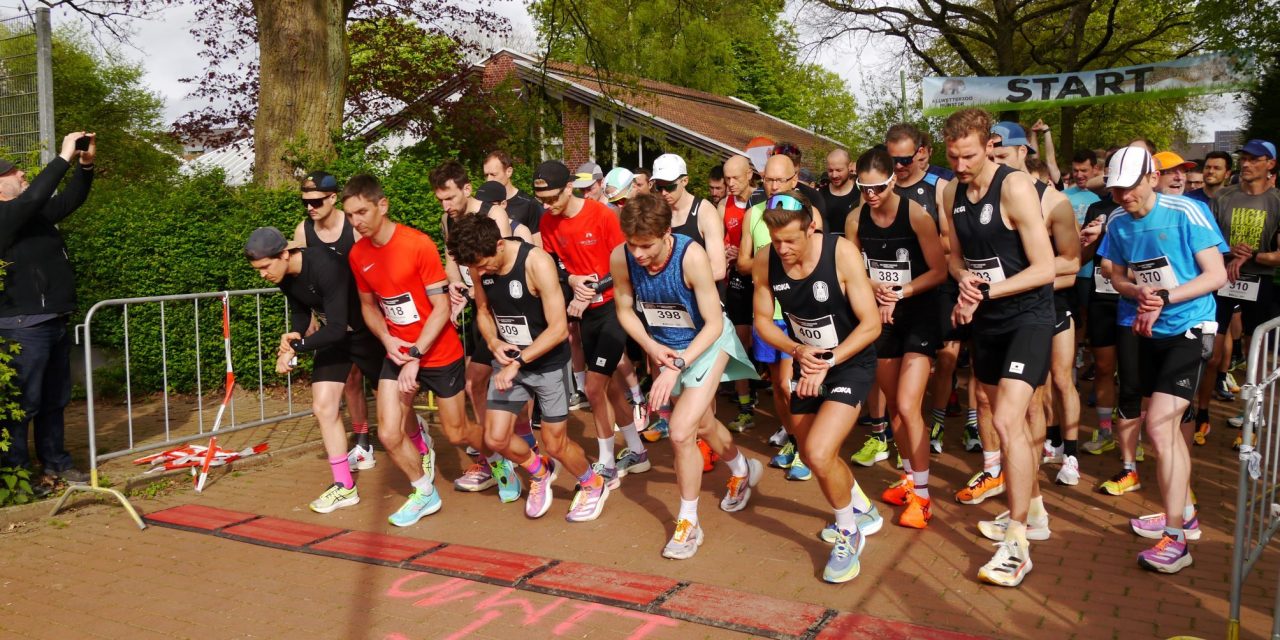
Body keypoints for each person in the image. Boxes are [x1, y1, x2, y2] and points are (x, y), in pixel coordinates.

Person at [345, 174, 514, 526]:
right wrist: (389, 341)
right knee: (389, 433)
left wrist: (416, 353)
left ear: (382, 205)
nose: (356, 221)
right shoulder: (358, 254)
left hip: (436, 351)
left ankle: (497, 458)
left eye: (361, 212)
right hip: (398, 353)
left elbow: (440, 309)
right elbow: (368, 307)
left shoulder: (417, 244)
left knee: (457, 431)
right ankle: (424, 492)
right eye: (349, 215)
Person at [1096, 146, 1227, 573]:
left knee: (1159, 426)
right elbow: (1113, 274)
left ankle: (1176, 541)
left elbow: (1216, 275)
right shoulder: (1117, 220)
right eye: (1116, 190)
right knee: (1164, 426)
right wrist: (1135, 292)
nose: (1123, 196)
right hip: (1146, 327)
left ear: (1152, 177)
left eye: (1130, 187)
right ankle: (1184, 513)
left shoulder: (1186, 211)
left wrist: (1167, 296)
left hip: (1191, 328)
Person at [939, 108, 1055, 588]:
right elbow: (952, 253)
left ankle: (1018, 541)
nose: (960, 165)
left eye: (968, 155)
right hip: (986, 319)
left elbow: (1045, 266)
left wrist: (986, 290)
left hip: (1028, 316)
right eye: (952, 156)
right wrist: (964, 278)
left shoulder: (1015, 187)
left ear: (989, 145)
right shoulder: (950, 191)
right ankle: (1037, 512)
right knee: (994, 408)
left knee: (1008, 419)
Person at [611, 193, 762, 557]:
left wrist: (676, 364)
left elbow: (712, 325)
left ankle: (688, 523)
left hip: (707, 344)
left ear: (667, 233)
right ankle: (743, 469)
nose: (638, 255)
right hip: (665, 345)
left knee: (680, 433)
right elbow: (626, 310)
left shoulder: (690, 256)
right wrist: (651, 347)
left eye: (646, 246)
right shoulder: (621, 257)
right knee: (704, 424)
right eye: (632, 245)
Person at [446, 214, 612, 522]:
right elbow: (482, 310)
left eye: (484, 265)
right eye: (475, 269)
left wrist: (520, 361)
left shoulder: (537, 263)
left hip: (548, 364)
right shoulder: (479, 263)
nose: (480, 273)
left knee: (554, 442)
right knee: (495, 438)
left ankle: (593, 483)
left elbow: (559, 328)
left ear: (499, 244)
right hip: (509, 361)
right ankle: (539, 471)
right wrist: (494, 343)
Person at [752, 189, 881, 583]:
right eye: (776, 241)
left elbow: (872, 324)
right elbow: (761, 321)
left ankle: (848, 531)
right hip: (808, 363)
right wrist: (795, 350)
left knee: (822, 452)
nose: (783, 248)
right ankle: (863, 508)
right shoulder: (765, 260)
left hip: (848, 363)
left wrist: (829, 360)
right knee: (811, 454)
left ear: (812, 228)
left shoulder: (840, 253)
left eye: (791, 239)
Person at [245, 227, 386, 513]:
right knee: (323, 407)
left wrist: (297, 348)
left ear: (284, 254)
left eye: (265, 267)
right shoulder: (283, 275)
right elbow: (301, 311)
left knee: (395, 415)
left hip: (365, 337)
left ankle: (421, 448)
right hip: (335, 340)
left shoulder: (326, 266)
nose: (262, 274)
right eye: (257, 269)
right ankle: (344, 486)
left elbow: (335, 327)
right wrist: (295, 334)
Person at [844, 147, 947, 528]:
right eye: (864, 188)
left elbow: (939, 270)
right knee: (892, 410)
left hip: (918, 314)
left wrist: (900, 292)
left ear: (893, 180)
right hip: (883, 316)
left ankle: (923, 497)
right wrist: (877, 289)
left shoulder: (916, 215)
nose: (871, 196)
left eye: (878, 188)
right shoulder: (856, 219)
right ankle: (909, 477)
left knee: (907, 404)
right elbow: (853, 269)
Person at [533, 160, 649, 487]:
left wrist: (593, 288)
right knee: (609, 387)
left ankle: (607, 462)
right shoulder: (547, 221)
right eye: (542, 199)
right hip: (585, 313)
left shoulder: (603, 215)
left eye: (553, 197)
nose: (547, 205)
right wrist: (572, 280)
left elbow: (627, 263)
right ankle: (638, 452)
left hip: (615, 306)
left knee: (594, 387)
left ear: (570, 187)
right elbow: (554, 266)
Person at [0, 131, 96, 490]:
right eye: (14, 173)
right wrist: (63, 157)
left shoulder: (31, 216)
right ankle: (19, 473)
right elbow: (39, 192)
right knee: (25, 402)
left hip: (53, 320)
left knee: (55, 399)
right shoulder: (4, 218)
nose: (23, 174)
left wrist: (85, 166)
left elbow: (69, 199)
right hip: (22, 325)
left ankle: (56, 464)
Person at [989, 122, 1083, 487]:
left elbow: (1072, 263)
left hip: (1051, 305)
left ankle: (1070, 454)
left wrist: (1026, 274)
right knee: (1028, 398)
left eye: (1002, 157)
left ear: (1022, 153)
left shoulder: (1053, 201)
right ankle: (1028, 475)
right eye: (991, 157)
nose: (995, 164)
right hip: (1007, 310)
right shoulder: (987, 196)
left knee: (1060, 380)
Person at [432, 162, 529, 500]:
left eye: (450, 198)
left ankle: (520, 442)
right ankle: (496, 455)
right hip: (481, 310)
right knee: (476, 380)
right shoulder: (448, 220)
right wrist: (458, 284)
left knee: (518, 376)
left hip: (510, 309)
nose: (446, 207)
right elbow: (450, 259)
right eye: (440, 200)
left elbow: (509, 263)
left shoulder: (493, 214)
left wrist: (481, 286)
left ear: (467, 189)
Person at [738, 154, 824, 480]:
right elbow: (743, 263)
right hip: (766, 312)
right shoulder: (754, 215)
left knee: (792, 386)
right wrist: (769, 258)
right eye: (767, 180)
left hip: (795, 315)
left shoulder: (808, 214)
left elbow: (819, 258)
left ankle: (805, 446)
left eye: (779, 180)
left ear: (794, 179)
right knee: (776, 384)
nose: (772, 186)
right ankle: (792, 438)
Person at [289, 170, 378, 470]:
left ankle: (411, 432)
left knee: (384, 384)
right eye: (305, 202)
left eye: (316, 201)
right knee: (350, 381)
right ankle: (362, 441)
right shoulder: (303, 231)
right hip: (336, 321)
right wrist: (309, 318)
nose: (310, 207)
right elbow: (303, 278)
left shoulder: (351, 226)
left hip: (367, 315)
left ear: (333, 198)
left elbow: (371, 270)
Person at [883, 122, 962, 454]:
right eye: (892, 161)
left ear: (919, 153)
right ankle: (900, 429)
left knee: (945, 359)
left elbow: (949, 241)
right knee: (894, 365)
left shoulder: (940, 186)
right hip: (895, 289)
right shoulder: (883, 188)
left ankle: (939, 420)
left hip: (936, 284)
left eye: (904, 160)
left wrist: (919, 243)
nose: (898, 168)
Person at [1206, 139, 1280, 448]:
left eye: (1254, 159)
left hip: (1262, 284)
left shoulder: (1277, 201)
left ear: (1270, 165)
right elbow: (1207, 243)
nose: (1246, 164)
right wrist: (1228, 252)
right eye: (1244, 158)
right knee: (1209, 351)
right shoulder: (1223, 198)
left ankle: (1250, 420)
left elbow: (1278, 256)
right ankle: (1200, 416)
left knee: (1257, 357)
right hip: (1222, 279)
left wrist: (1250, 256)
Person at [720, 155, 761, 433]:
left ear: (749, 174)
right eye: (726, 179)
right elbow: (720, 239)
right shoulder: (723, 205)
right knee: (739, 340)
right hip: (737, 278)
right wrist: (725, 252)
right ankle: (746, 405)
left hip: (764, 279)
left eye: (736, 178)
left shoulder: (763, 201)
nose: (731, 184)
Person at [483, 150, 544, 246]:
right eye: (486, 175)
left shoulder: (529, 204)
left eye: (493, 174)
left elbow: (538, 246)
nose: (489, 180)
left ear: (509, 171)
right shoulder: (482, 203)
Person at [822, 148, 860, 237]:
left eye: (839, 170)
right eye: (830, 170)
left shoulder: (861, 194)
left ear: (849, 167)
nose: (834, 175)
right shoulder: (820, 195)